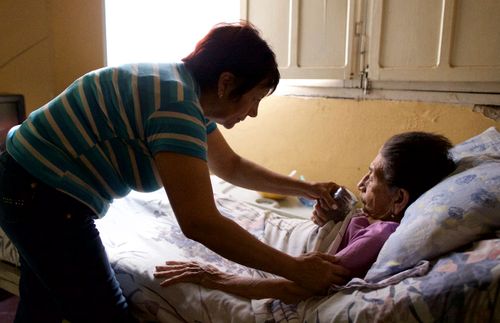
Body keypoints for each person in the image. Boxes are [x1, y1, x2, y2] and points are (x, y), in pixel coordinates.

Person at [0, 22, 346, 322]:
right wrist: (295, 268)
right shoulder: (176, 104)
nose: (252, 113)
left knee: (42, 302)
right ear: (226, 83)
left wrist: (309, 188)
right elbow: (199, 222)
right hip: (41, 196)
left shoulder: (181, 90)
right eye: (254, 98)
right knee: (105, 315)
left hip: (24, 181)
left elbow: (230, 166)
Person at [154, 131, 457, 304]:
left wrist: (212, 277)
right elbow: (343, 234)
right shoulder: (374, 221)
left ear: (400, 198)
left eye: (373, 176)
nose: (362, 182)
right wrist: (335, 219)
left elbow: (297, 285)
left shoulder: (380, 236)